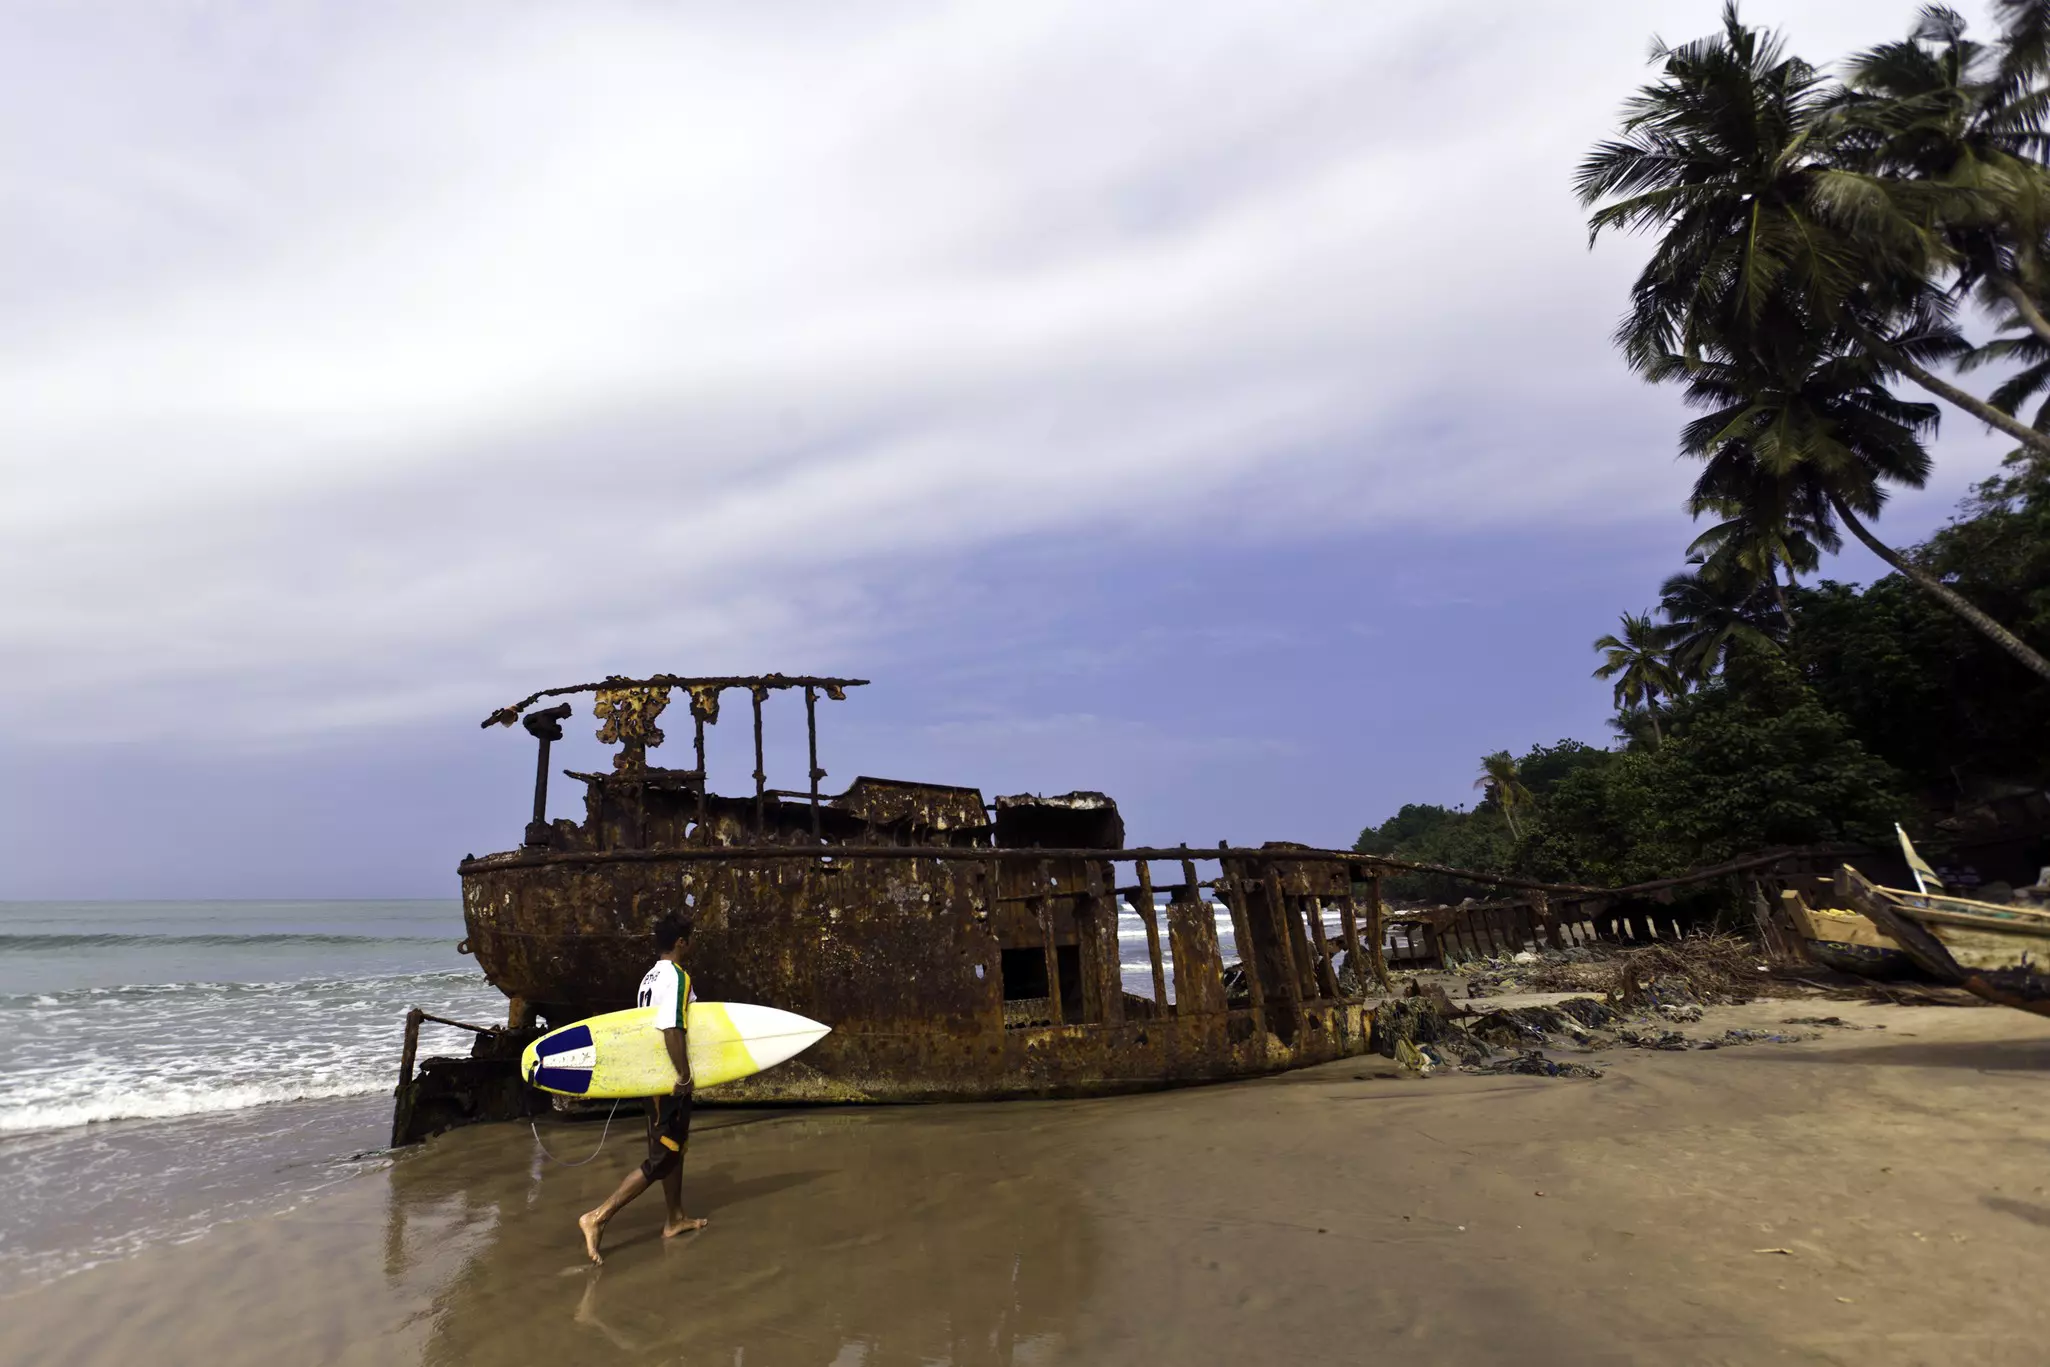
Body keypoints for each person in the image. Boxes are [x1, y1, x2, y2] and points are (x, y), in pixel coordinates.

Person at [578, 912, 708, 1264]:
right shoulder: (678, 977)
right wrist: (683, 1075)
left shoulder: (649, 978)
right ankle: (598, 1217)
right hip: (667, 1082)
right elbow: (672, 1029)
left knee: (674, 1150)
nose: (692, 943)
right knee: (662, 1157)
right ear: (681, 942)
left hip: (651, 1078)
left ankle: (674, 1218)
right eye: (690, 938)